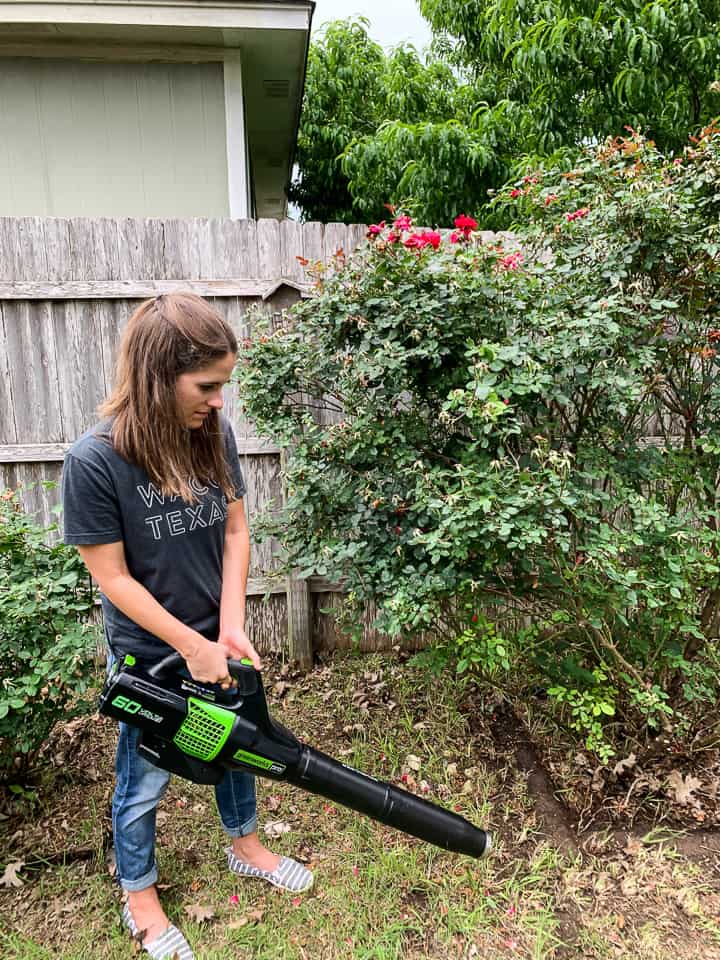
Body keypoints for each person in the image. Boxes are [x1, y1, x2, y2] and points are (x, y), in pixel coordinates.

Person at [61, 293, 312, 960]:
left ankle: (246, 846)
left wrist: (227, 626)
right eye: (207, 385)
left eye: (223, 385)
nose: (220, 401)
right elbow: (112, 579)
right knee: (144, 778)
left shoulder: (211, 436)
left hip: (214, 638)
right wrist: (190, 646)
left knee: (242, 746)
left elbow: (235, 530)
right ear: (157, 376)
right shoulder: (94, 462)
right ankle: (139, 893)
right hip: (154, 656)